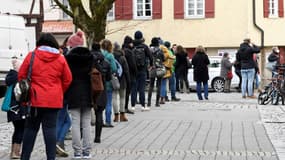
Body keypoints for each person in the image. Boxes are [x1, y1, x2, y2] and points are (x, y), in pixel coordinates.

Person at [19, 32, 72, 160]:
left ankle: (25, 157)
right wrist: (58, 91)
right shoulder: (60, 59)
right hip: (53, 101)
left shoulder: (31, 56)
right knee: (50, 130)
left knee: (30, 129)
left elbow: (21, 75)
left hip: (34, 100)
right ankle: (51, 157)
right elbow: (68, 79)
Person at [65, 31, 93, 159]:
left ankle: (77, 152)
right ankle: (87, 152)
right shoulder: (90, 57)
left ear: (71, 45)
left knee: (75, 123)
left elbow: (65, 77)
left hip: (73, 92)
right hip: (88, 92)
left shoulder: (68, 58)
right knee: (86, 123)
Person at [5, 59, 26, 159]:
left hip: (12, 109)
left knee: (17, 129)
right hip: (17, 109)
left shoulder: (10, 77)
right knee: (20, 130)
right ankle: (16, 152)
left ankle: (14, 152)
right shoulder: (17, 77)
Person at [55, 35, 71, 157]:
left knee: (64, 120)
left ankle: (58, 142)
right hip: (61, 96)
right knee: (62, 121)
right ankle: (57, 142)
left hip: (56, 95)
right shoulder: (61, 61)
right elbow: (67, 79)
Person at [131, 30, 153, 111]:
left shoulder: (132, 46)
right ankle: (143, 106)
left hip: (134, 70)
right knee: (142, 88)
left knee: (134, 88)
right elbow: (151, 57)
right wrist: (150, 66)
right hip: (142, 69)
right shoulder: (145, 47)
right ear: (141, 37)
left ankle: (133, 106)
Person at [101, 39, 117, 127]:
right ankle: (108, 121)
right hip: (108, 82)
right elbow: (114, 68)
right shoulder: (110, 56)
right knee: (108, 102)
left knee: (100, 103)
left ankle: (100, 120)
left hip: (99, 82)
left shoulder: (99, 54)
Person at [112, 42, 130, 122]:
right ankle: (122, 115)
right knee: (122, 97)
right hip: (122, 81)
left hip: (114, 80)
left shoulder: (111, 57)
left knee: (114, 97)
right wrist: (128, 81)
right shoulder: (123, 58)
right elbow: (126, 71)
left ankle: (116, 116)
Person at [147, 37, 164, 107]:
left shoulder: (149, 50)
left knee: (151, 85)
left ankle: (149, 102)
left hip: (152, 68)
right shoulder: (160, 50)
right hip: (159, 68)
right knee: (159, 85)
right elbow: (163, 58)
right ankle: (157, 102)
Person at [122, 36, 137, 114]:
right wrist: (135, 72)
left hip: (122, 74)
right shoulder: (129, 52)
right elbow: (132, 64)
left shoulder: (122, 50)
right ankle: (125, 107)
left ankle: (122, 107)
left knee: (122, 92)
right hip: (129, 74)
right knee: (127, 91)